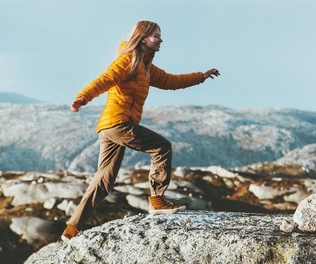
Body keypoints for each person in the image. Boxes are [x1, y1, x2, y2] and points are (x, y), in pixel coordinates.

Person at [61, 20, 220, 242]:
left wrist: (200, 77)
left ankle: (72, 229)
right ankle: (157, 200)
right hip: (119, 123)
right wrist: (82, 97)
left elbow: (170, 81)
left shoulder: (146, 67)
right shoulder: (128, 60)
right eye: (156, 35)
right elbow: (105, 79)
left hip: (110, 128)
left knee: (104, 181)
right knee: (161, 147)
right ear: (143, 38)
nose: (160, 40)